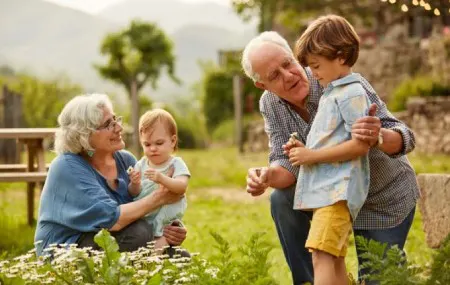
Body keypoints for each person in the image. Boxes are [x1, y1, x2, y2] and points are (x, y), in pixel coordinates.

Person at [241, 29, 419, 284]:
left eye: (287, 64)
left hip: (380, 197)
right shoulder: (270, 104)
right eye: (274, 76)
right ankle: (308, 281)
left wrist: (378, 135)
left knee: (382, 279)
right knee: (282, 200)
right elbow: (286, 163)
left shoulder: (337, 78)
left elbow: (405, 136)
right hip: (331, 197)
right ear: (262, 85)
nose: (289, 76)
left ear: (293, 55)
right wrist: (267, 176)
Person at [34, 94, 187, 256]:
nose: (119, 127)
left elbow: (143, 205)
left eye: (116, 119)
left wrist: (171, 228)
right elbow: (113, 219)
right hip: (67, 248)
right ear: (84, 135)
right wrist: (161, 197)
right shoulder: (66, 166)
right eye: (108, 124)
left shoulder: (125, 160)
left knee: (180, 257)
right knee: (139, 233)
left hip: (115, 237)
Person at [286, 15, 372, 285]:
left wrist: (311, 156)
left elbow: (360, 145)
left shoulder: (352, 93)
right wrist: (304, 149)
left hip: (338, 192)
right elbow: (332, 141)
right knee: (331, 258)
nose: (313, 73)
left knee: (322, 255)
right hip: (327, 192)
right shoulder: (332, 93)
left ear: (342, 56)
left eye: (316, 65)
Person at [128, 109, 190, 253]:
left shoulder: (175, 164)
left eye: (159, 143)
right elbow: (133, 193)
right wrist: (135, 184)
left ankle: (152, 265)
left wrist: (162, 178)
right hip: (145, 216)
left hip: (166, 220)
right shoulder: (141, 164)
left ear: (173, 141)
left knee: (156, 250)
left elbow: (181, 187)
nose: (153, 149)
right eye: (147, 145)